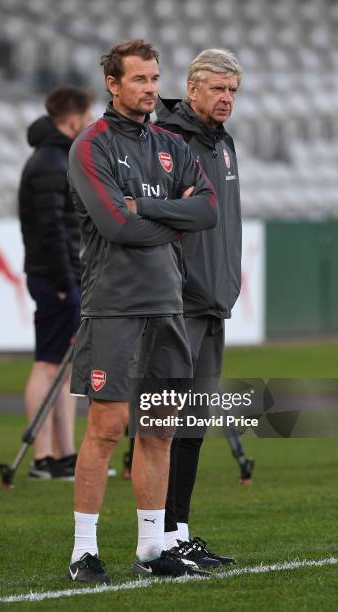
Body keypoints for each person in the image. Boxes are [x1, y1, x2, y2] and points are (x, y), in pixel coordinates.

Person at [67, 39, 218, 583]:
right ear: (113, 83)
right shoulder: (91, 145)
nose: (152, 89)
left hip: (168, 306)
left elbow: (206, 210)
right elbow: (115, 227)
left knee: (159, 431)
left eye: (155, 79)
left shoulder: (170, 145)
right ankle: (84, 552)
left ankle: (153, 551)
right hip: (114, 308)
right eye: (140, 80)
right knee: (107, 429)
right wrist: (171, 218)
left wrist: (150, 208)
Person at [154, 48, 253, 566]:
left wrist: (227, 283)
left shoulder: (225, 143)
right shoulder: (166, 142)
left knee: (192, 425)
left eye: (232, 91)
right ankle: (158, 541)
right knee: (163, 424)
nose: (226, 99)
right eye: (217, 89)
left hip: (213, 302)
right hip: (177, 303)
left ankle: (180, 532)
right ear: (191, 88)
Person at [18, 85, 93, 480]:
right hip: (55, 276)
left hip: (59, 274)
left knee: (64, 368)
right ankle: (43, 458)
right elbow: (51, 229)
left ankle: (64, 455)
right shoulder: (49, 162)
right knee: (48, 364)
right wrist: (66, 280)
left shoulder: (52, 157)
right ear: (72, 118)